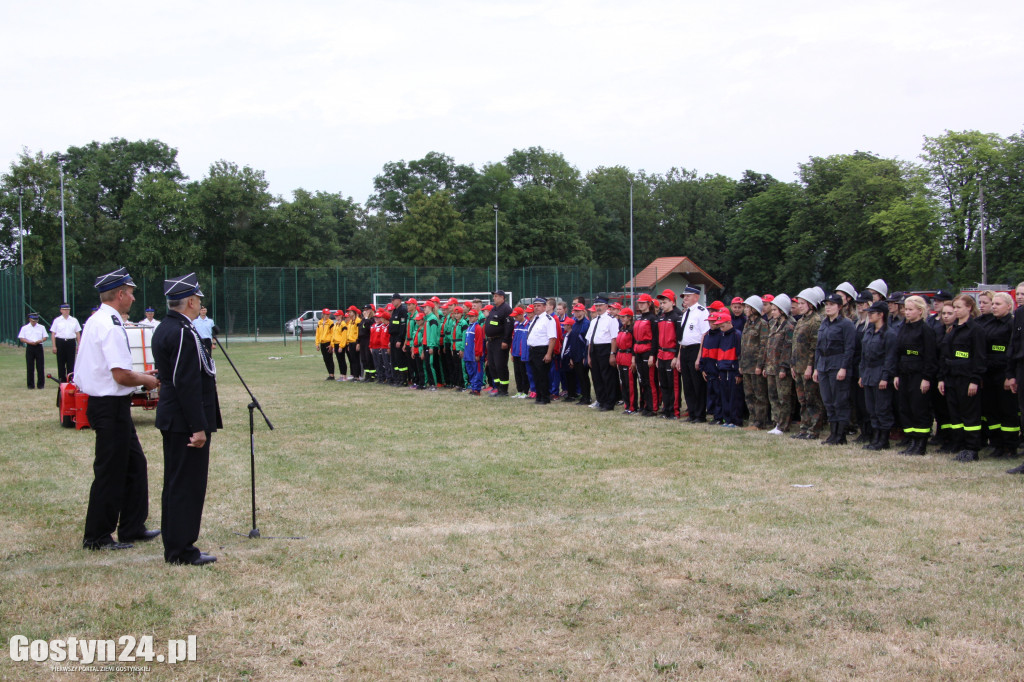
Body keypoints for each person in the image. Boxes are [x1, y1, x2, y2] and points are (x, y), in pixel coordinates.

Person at [76, 267, 160, 551]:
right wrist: (148, 380)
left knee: (135, 465)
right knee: (111, 471)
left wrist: (143, 375)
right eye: (132, 293)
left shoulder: (98, 320)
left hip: (111, 404)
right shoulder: (109, 324)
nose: (134, 299)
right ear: (121, 294)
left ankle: (132, 526)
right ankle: (97, 536)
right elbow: (121, 375)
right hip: (109, 405)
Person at [151, 273, 221, 566]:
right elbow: (185, 383)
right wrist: (198, 427)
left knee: (177, 483)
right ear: (191, 301)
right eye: (199, 299)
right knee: (186, 486)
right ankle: (181, 549)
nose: (200, 303)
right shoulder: (181, 331)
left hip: (176, 419)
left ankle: (176, 543)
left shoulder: (170, 327)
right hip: (184, 422)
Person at [938, 294, 987, 462]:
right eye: (955, 307)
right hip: (951, 377)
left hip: (967, 378)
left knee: (970, 414)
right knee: (956, 415)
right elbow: (945, 355)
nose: (956, 310)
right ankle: (960, 444)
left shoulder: (975, 330)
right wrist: (942, 378)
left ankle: (972, 448)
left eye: (959, 307)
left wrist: (975, 379)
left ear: (969, 308)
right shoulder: (953, 329)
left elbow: (979, 357)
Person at [892, 295, 938, 455]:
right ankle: (912, 440)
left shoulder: (925, 330)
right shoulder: (904, 327)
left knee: (919, 409)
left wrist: (926, 378)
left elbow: (930, 356)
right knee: (906, 408)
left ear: (920, 311)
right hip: (904, 373)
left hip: (919, 375)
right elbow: (898, 352)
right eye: (906, 309)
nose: (907, 312)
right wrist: (896, 374)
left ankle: (921, 443)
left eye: (911, 309)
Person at [978, 292, 1018, 458]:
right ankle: (997, 444)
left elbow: (1013, 351)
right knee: (991, 410)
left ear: (1009, 306)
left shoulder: (1012, 324)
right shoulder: (988, 324)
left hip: (1003, 373)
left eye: (998, 304)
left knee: (1007, 411)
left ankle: (1010, 447)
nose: (993, 306)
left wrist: (1010, 376)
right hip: (988, 373)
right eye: (993, 304)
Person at [814, 293, 856, 445]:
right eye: (827, 304)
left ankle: (841, 434)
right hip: (824, 364)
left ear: (839, 307)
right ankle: (833, 433)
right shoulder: (824, 323)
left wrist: (843, 367)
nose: (828, 307)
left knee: (840, 401)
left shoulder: (846, 324)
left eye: (832, 304)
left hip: (838, 364)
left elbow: (850, 348)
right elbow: (818, 347)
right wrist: (816, 368)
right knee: (828, 400)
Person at [858, 301, 899, 451]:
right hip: (868, 373)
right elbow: (864, 355)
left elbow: (890, 358)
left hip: (880, 373)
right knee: (871, 408)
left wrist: (885, 377)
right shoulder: (869, 331)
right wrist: (862, 374)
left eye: (872, 313)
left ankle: (883, 439)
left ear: (881, 314)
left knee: (882, 408)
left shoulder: (889, 334)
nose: (869, 315)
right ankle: (876, 438)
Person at [791, 289, 824, 440]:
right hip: (798, 366)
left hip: (807, 367)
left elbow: (814, 346)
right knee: (802, 399)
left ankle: (814, 428)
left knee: (812, 399)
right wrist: (792, 365)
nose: (800, 306)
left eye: (803, 303)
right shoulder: (801, 320)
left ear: (811, 304)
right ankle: (804, 427)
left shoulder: (815, 321)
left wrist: (810, 366)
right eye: (800, 303)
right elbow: (795, 345)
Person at [675, 286, 710, 422]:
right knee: (687, 384)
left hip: (695, 349)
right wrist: (679, 357)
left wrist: (699, 356)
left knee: (697, 384)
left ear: (696, 297)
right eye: (684, 296)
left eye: (688, 296)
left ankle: (700, 414)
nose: (685, 298)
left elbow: (704, 335)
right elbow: (682, 336)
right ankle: (692, 412)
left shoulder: (702, 312)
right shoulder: (685, 313)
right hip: (684, 349)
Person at [765, 294, 795, 435]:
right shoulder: (773, 324)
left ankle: (783, 424)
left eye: (775, 309)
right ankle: (776, 422)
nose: (772, 312)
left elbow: (787, 349)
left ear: (782, 310)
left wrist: (784, 367)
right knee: (773, 396)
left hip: (781, 367)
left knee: (784, 397)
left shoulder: (789, 326)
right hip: (771, 366)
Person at [739, 296, 770, 429]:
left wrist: (760, 365)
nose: (745, 309)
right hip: (746, 364)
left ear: (754, 309)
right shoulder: (747, 323)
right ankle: (752, 419)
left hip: (756, 365)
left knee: (759, 395)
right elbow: (743, 345)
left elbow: (764, 346)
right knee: (749, 394)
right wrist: (741, 364)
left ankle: (760, 421)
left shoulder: (762, 324)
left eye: (747, 307)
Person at [586, 294, 619, 411]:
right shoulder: (594, 321)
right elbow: (590, 339)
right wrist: (589, 356)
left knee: (607, 377)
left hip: (605, 349)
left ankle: (610, 402)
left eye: (600, 305)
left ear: (606, 306)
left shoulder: (611, 320)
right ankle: (601, 400)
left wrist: (612, 354)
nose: (598, 308)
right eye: (596, 305)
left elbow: (614, 338)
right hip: (594, 349)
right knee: (596, 377)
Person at [655, 290, 684, 419]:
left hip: (671, 355)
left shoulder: (677, 317)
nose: (662, 305)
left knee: (674, 385)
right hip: (661, 354)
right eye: (661, 303)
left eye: (665, 302)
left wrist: (676, 356)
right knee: (664, 384)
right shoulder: (661, 317)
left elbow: (680, 340)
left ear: (672, 302)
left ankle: (674, 411)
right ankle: (666, 409)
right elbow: (657, 338)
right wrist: (656, 355)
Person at [1006, 282, 1024, 474]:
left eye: (1023, 294)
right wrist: (1010, 374)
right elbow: (1014, 344)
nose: (1019, 297)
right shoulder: (1019, 314)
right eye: (1018, 294)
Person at [526, 297, 559, 404]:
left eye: (539, 306)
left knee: (543, 375)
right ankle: (539, 396)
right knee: (535, 375)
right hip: (533, 350)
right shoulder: (535, 319)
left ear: (545, 307)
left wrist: (549, 353)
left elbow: (552, 338)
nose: (536, 308)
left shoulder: (548, 320)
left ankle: (545, 397)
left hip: (542, 350)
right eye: (535, 306)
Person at [631, 294, 659, 417]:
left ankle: (653, 407)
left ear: (649, 304)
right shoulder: (639, 318)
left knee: (650, 380)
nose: (640, 305)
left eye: (643, 303)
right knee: (642, 380)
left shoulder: (652, 319)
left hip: (647, 350)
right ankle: (645, 405)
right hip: (638, 350)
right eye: (639, 303)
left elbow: (655, 338)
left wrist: (653, 355)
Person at [483, 290, 514, 396]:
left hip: (500, 341)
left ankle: (504, 389)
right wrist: (488, 339)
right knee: (492, 365)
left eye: (496, 296)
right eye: (494, 296)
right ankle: (497, 387)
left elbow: (509, 327)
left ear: (502, 297)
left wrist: (506, 341)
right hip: (491, 341)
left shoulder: (506, 309)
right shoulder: (493, 309)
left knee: (500, 365)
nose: (494, 298)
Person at [50, 303, 82, 383]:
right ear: (61, 310)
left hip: (71, 342)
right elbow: (53, 333)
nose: (66, 311)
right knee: (61, 361)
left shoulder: (74, 320)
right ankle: (62, 379)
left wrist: (79, 344)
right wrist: (54, 346)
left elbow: (77, 333)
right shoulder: (57, 320)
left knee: (71, 362)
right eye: (64, 310)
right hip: (60, 342)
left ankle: (70, 379)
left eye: (68, 309)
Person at [614, 308, 637, 414]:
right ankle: (626, 404)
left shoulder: (633, 329)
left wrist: (633, 359)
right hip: (621, 357)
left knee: (630, 384)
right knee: (623, 383)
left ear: (629, 317)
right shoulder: (622, 329)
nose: (621, 319)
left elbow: (633, 345)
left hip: (628, 357)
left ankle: (632, 406)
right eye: (621, 317)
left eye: (623, 317)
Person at [18, 313, 47, 389]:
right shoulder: (25, 328)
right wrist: (29, 342)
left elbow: (45, 337)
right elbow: (21, 338)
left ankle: (41, 385)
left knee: (40, 366)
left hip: (39, 346)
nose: (35, 322)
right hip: (30, 346)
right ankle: (30, 385)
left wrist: (40, 340)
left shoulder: (41, 327)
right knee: (30, 366)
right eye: (33, 320)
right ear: (30, 319)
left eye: (36, 320)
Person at [315, 308, 335, 380]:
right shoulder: (319, 322)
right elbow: (317, 333)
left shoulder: (331, 322)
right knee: (325, 359)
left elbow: (333, 334)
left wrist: (332, 344)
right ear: (323, 314)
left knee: (330, 358)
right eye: (326, 314)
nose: (327, 316)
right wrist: (317, 344)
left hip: (328, 342)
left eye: (328, 314)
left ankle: (332, 375)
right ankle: (329, 374)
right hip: (322, 343)